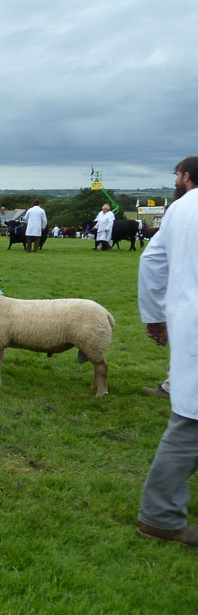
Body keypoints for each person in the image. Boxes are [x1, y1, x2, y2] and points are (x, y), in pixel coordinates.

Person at [136, 155, 198, 546]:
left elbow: (152, 260)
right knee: (190, 425)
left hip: (186, 322)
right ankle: (159, 514)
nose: (175, 179)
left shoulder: (180, 209)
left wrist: (155, 315)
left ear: (187, 177)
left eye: (177, 173)